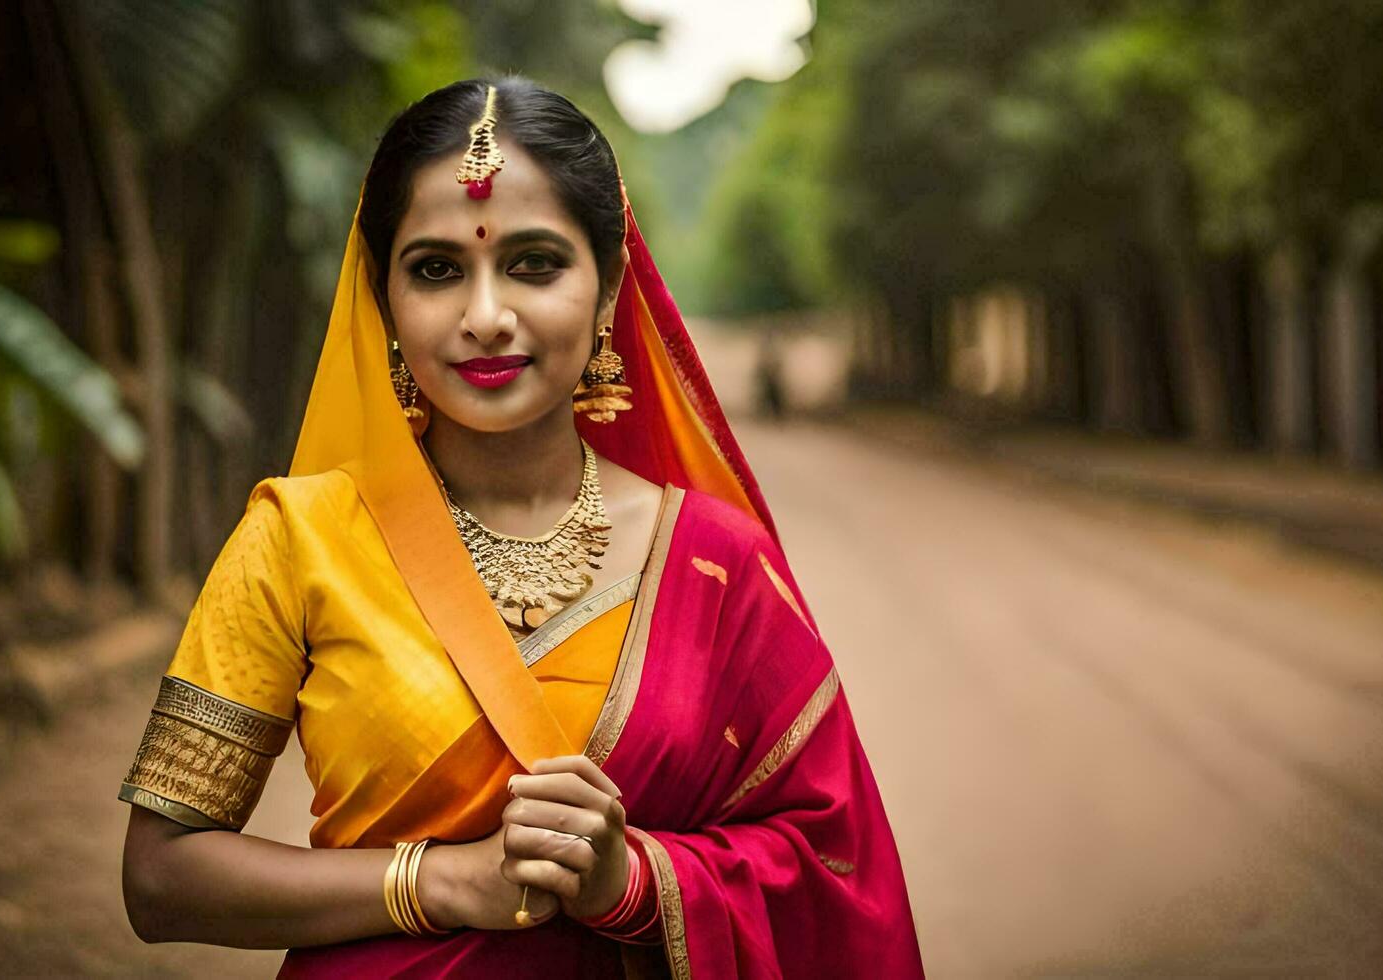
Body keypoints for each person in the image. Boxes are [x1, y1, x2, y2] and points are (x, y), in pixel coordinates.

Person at [117, 76, 925, 979]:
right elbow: (160, 876)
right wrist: (437, 884)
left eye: (535, 263)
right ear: (382, 299)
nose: (487, 317)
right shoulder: (297, 537)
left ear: (610, 286)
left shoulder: (716, 563)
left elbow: (836, 869)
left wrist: (633, 880)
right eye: (435, 269)